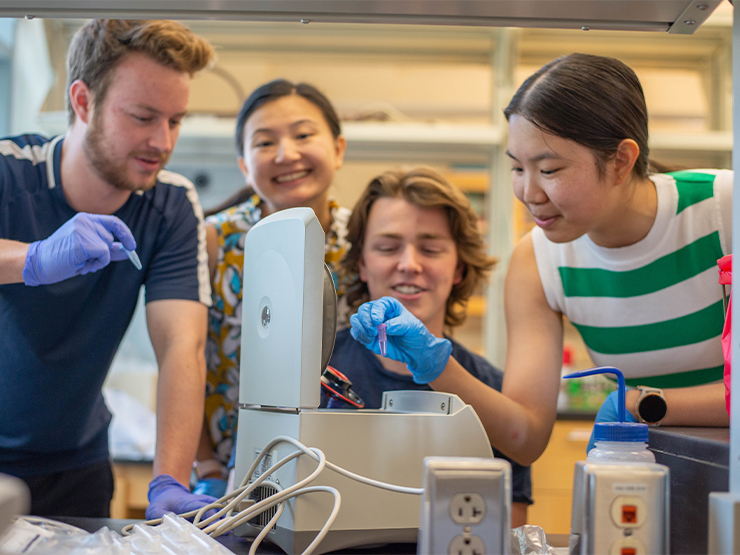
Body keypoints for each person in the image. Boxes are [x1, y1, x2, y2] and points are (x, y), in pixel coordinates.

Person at [351, 52, 732, 470]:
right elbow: (524, 436)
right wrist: (436, 365)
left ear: (621, 160)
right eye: (517, 168)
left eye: (549, 169)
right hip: (663, 480)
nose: (529, 193)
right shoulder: (539, 258)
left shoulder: (722, 211)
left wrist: (644, 403)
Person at [0, 19, 218, 519]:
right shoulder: (9, 169)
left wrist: (169, 479)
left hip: (76, 465)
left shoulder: (171, 206)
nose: (162, 142)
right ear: (82, 101)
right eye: (143, 117)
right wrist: (33, 259)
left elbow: (182, 346)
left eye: (175, 120)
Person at [329, 167, 532, 527]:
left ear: (458, 267)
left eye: (431, 249)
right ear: (361, 263)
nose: (409, 265)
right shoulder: (313, 371)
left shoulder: (493, 393)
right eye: (387, 247)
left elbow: (508, 529)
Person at [196, 79, 350, 496]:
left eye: (303, 135)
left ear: (338, 148)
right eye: (265, 143)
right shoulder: (214, 240)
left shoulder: (362, 239)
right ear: (245, 165)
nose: (287, 154)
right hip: (233, 472)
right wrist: (205, 464)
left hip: (339, 469)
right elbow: (186, 357)